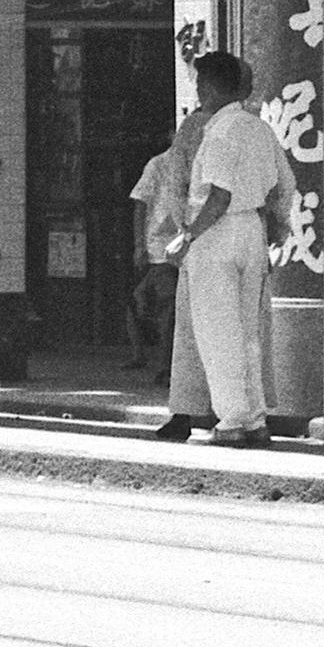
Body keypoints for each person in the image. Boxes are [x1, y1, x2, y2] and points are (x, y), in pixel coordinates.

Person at [162, 50, 291, 448]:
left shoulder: (218, 131)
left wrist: (188, 236)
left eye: (201, 84)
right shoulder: (260, 129)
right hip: (252, 227)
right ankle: (255, 420)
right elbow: (284, 186)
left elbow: (218, 196)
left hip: (215, 232)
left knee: (218, 331)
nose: (199, 91)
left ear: (215, 87)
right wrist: (275, 228)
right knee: (248, 331)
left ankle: (232, 420)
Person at [131, 94, 214, 441]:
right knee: (176, 320)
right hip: (172, 249)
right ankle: (184, 403)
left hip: (191, 247)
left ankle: (196, 410)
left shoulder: (210, 148)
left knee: (187, 325)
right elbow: (150, 201)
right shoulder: (166, 161)